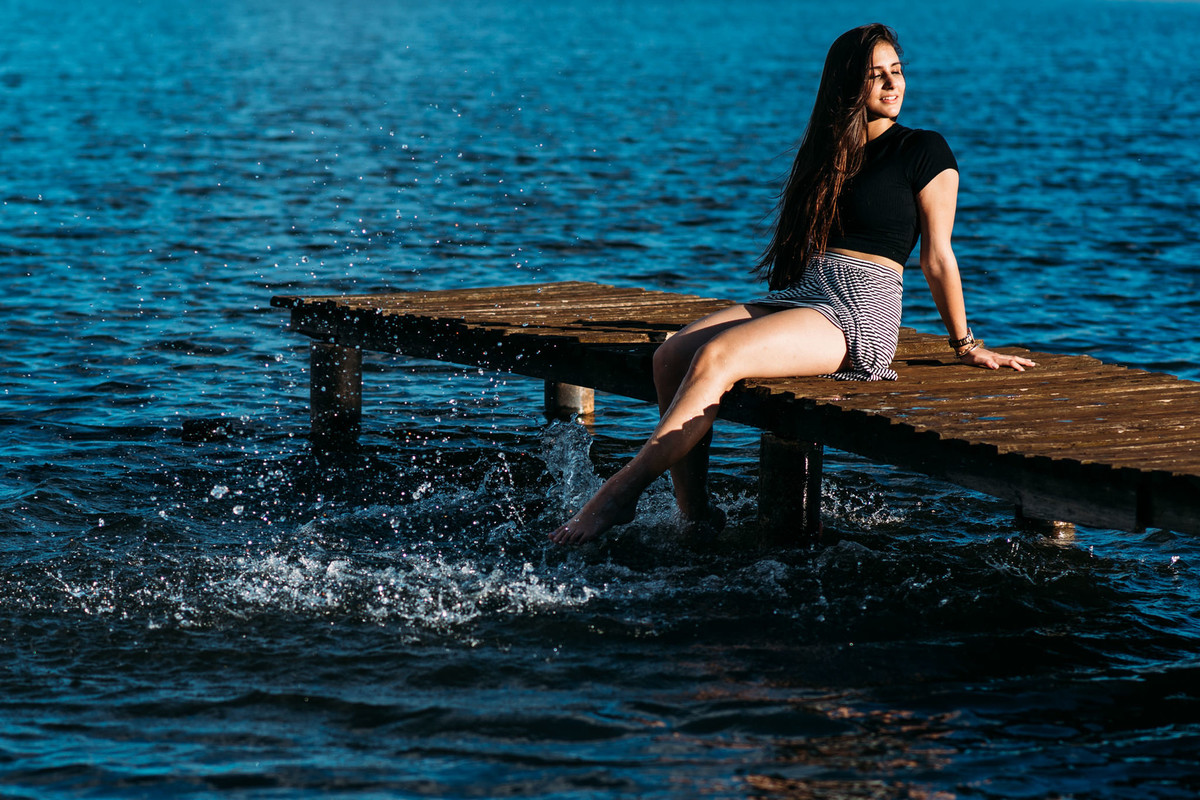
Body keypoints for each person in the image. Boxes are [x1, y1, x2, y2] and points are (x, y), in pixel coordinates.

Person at [549, 23, 1036, 546]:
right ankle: (696, 518)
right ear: (848, 87)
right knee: (670, 356)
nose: (892, 84)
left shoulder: (924, 151)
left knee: (718, 358)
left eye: (897, 72)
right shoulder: (829, 155)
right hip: (808, 294)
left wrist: (964, 344)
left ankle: (618, 494)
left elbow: (937, 257)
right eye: (876, 76)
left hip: (858, 311)